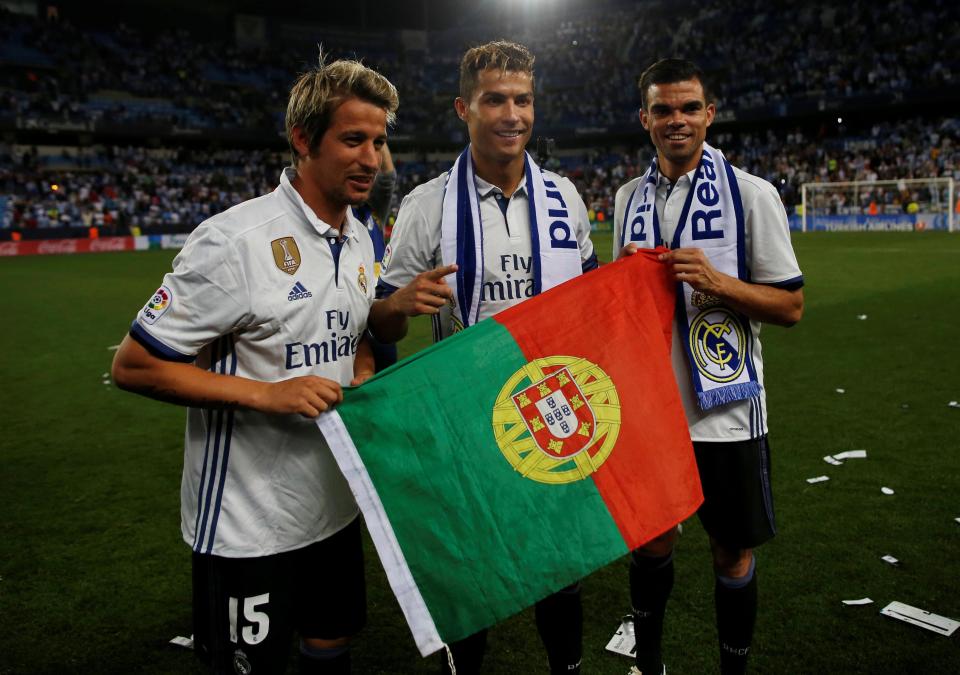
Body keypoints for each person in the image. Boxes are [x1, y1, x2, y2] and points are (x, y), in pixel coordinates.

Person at [112, 56, 413, 674]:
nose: (370, 158)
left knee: (331, 643)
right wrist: (265, 394)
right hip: (246, 522)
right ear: (304, 140)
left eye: (378, 142)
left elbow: (350, 329)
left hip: (333, 502)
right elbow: (134, 365)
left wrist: (360, 373)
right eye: (352, 139)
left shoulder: (361, 237)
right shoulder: (234, 242)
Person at [369, 40, 598, 675]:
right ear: (462, 109)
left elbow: (588, 301)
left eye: (523, 100)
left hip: (549, 410)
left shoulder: (565, 200)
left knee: (560, 565)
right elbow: (378, 319)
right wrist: (402, 303)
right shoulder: (426, 206)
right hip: (465, 416)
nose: (511, 114)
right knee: (472, 575)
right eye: (494, 99)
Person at [614, 58, 804, 675]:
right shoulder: (626, 200)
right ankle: (652, 664)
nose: (677, 120)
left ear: (709, 114)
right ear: (645, 119)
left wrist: (719, 284)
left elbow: (790, 305)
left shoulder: (752, 194)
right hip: (650, 411)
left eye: (690, 108)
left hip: (726, 413)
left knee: (730, 551)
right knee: (650, 546)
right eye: (663, 110)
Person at [352, 143, 399, 371]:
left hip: (380, 325)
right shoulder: (339, 214)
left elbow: (388, 175)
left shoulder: (373, 211)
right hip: (351, 330)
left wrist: (376, 137)